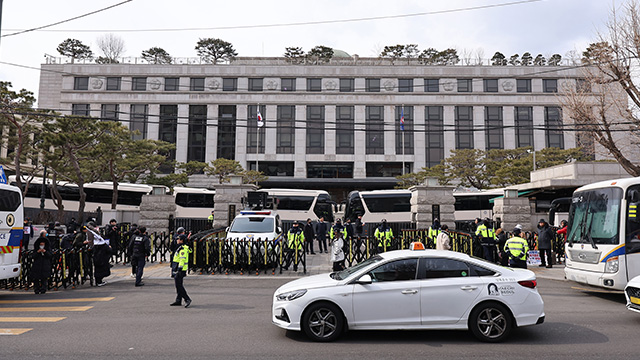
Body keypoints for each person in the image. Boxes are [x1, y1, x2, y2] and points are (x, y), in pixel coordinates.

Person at [170, 235, 192, 308]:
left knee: (179, 285)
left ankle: (187, 299)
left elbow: (182, 259)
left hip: (180, 269)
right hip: (177, 268)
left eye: (178, 239)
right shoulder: (180, 247)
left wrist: (179, 269)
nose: (177, 240)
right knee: (179, 284)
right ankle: (178, 300)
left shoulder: (182, 249)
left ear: (181, 240)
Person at [31, 230, 52, 294]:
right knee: (36, 278)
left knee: (44, 278)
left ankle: (43, 289)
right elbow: (33, 256)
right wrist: (38, 252)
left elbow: (50, 255)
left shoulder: (47, 248)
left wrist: (45, 252)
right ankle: (36, 289)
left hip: (45, 265)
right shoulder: (36, 249)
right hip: (37, 265)